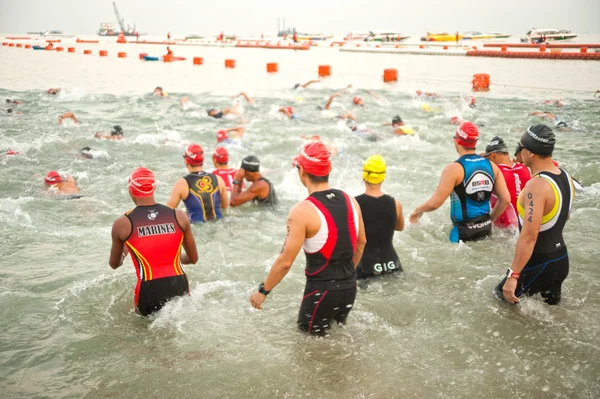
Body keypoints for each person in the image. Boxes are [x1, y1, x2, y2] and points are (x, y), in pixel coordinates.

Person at [249, 142, 366, 335]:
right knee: (337, 343)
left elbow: (285, 262)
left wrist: (263, 291)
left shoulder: (301, 211)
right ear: (329, 168)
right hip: (349, 288)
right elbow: (361, 243)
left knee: (308, 351)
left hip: (321, 293)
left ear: (301, 171)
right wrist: (346, 275)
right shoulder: (351, 200)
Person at [496, 124, 575, 305]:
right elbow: (565, 216)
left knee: (500, 300)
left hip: (541, 262)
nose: (518, 152)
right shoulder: (564, 175)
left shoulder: (537, 185)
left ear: (530, 152)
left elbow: (530, 236)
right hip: (560, 259)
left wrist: (513, 274)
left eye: (521, 147)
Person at [109, 167, 199, 316]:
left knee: (143, 334)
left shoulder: (122, 223)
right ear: (154, 188)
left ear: (131, 190)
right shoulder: (178, 215)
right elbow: (193, 259)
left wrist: (126, 249)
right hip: (179, 283)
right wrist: (170, 260)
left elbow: (114, 264)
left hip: (148, 288)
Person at [409, 122, 511, 243]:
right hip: (486, 228)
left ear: (456, 141)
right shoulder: (492, 166)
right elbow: (505, 199)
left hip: (462, 232)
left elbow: (435, 203)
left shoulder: (454, 169)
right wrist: (489, 219)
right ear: (475, 142)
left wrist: (417, 211)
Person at [355, 155, 404, 278]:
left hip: (365, 267)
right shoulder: (395, 203)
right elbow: (399, 227)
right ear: (383, 177)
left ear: (364, 176)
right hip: (393, 264)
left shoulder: (354, 204)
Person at [166, 144, 228, 223]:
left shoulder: (182, 184)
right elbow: (225, 209)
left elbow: (167, 214)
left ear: (186, 161)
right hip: (220, 224)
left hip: (196, 229)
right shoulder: (219, 180)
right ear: (203, 160)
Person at [483, 136, 531, 228]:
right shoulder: (527, 169)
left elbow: (504, 200)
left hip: (504, 228)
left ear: (493, 155)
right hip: (524, 224)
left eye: (487, 158)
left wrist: (489, 221)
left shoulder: (494, 171)